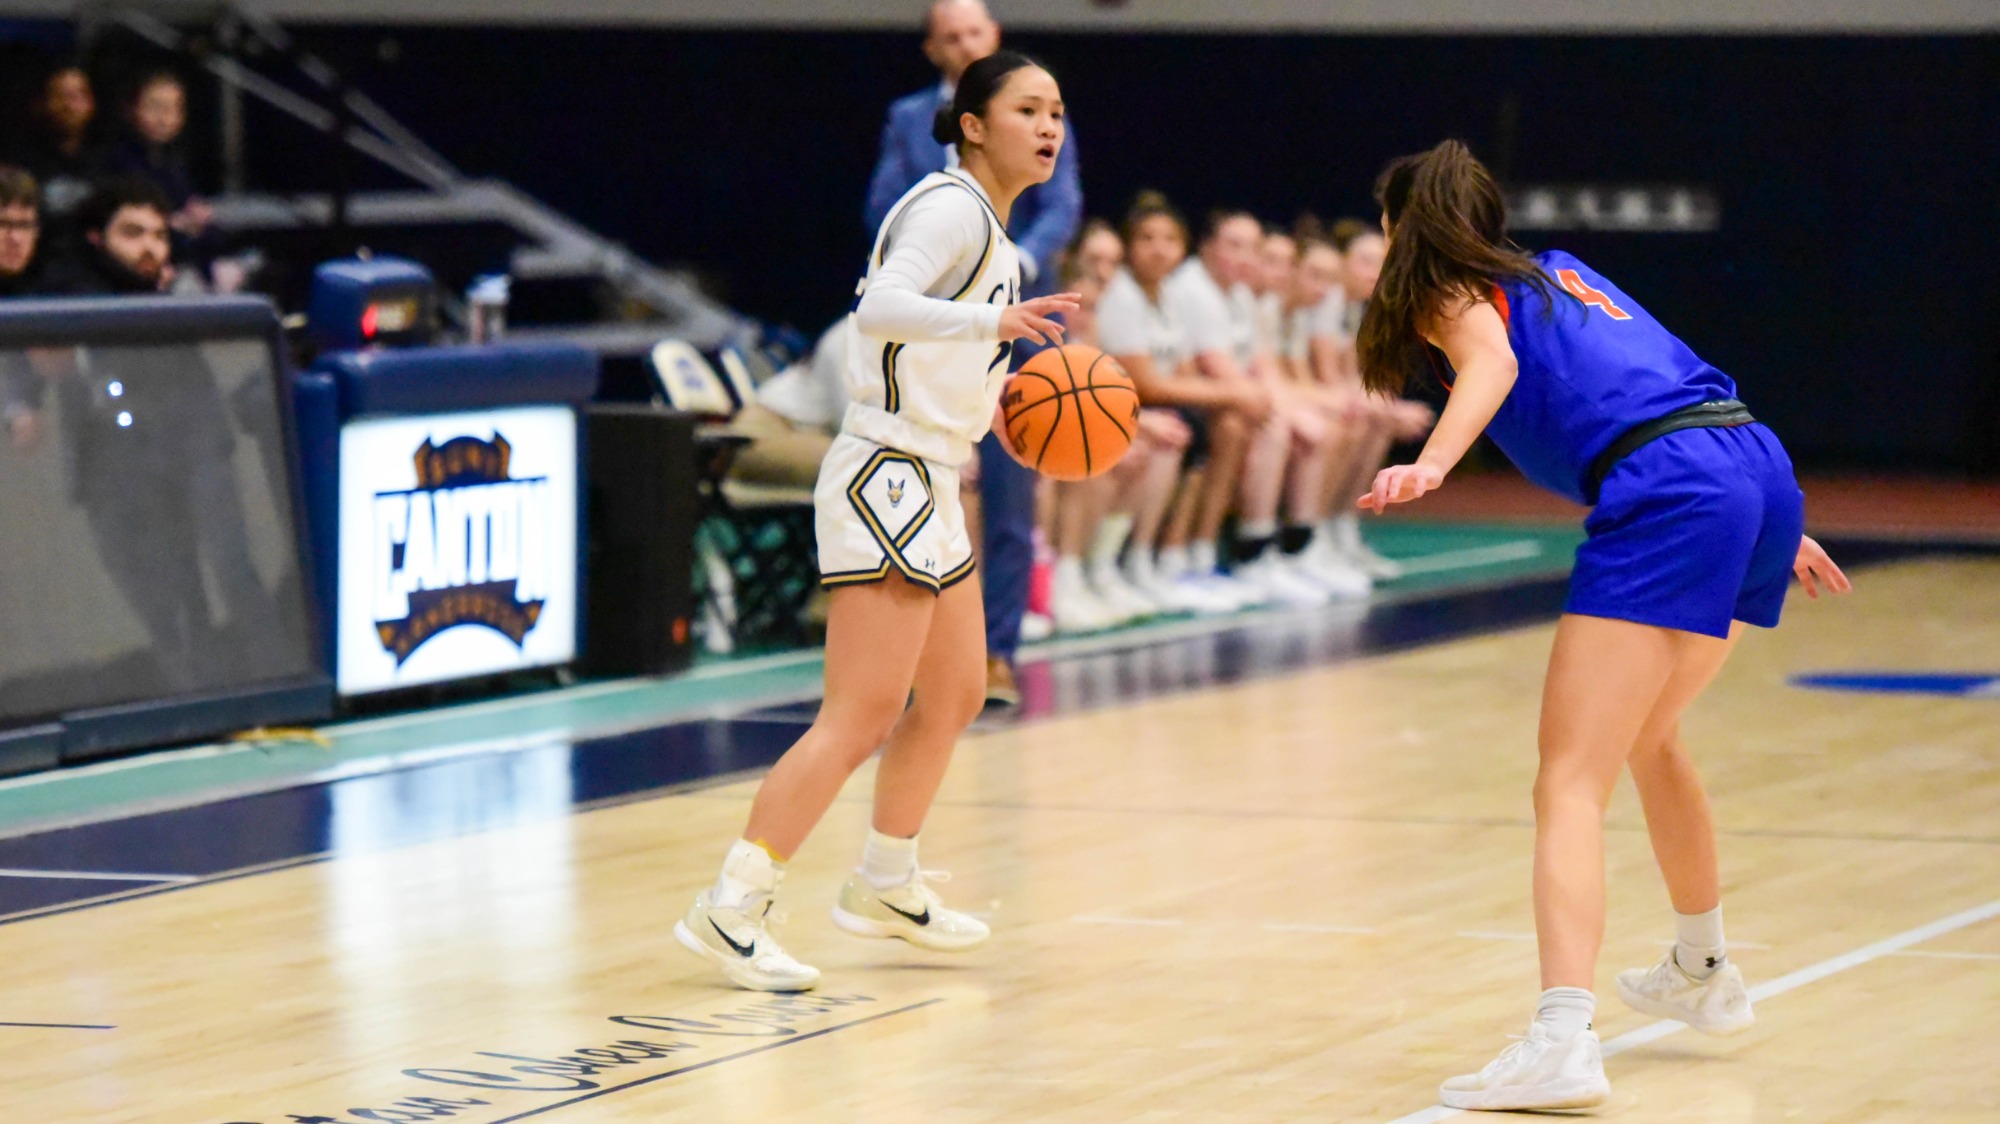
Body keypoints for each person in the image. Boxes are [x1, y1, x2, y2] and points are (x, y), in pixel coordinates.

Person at [1353, 140, 1851, 1111]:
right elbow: (1666, 374)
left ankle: (1559, 1035)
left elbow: (1488, 364)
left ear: (1401, 231)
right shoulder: (1566, 273)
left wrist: (1434, 460)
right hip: (1745, 461)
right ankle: (1701, 964)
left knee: (1567, 777)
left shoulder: (1448, 289)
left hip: (1674, 487)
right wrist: (1761, 511)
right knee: (1650, 738)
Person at [676, 52, 1079, 992]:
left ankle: (885, 883)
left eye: (1057, 111)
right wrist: (995, 329)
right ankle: (731, 907)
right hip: (886, 474)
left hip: (933, 473)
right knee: (860, 713)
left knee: (955, 697)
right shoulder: (947, 208)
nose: (1049, 127)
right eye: (1028, 109)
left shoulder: (998, 234)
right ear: (973, 123)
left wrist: (1004, 402)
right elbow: (878, 308)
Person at [864, 0, 1084, 706]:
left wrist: (1010, 261)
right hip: (935, 343)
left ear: (995, 37)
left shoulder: (1035, 111)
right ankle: (911, 656)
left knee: (1012, 493)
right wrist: (972, 285)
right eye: (951, 36)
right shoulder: (941, 194)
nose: (1045, 126)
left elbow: (1064, 205)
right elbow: (882, 230)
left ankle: (995, 653)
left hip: (1015, 319)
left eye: (975, 33)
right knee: (933, 494)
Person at [1099, 192, 1269, 616]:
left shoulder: (1167, 295)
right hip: (1116, 407)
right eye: (1146, 238)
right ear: (1128, 246)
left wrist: (1228, 399)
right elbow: (1145, 384)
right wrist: (1233, 394)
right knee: (1192, 432)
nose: (1159, 248)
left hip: (1154, 405)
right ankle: (1138, 562)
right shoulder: (1123, 295)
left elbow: (1184, 368)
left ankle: (1186, 558)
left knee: (1225, 425)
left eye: (1169, 239)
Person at [103, 71, 214, 252]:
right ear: (130, 108)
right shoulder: (118, 161)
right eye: (155, 107)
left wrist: (198, 218)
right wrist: (177, 226)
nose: (165, 118)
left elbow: (190, 209)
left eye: (175, 108)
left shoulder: (172, 160)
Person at [12, 63, 100, 237]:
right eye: (61, 96)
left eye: (78, 96)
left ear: (91, 103)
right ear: (41, 103)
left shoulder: (110, 159)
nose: (70, 105)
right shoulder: (19, 160)